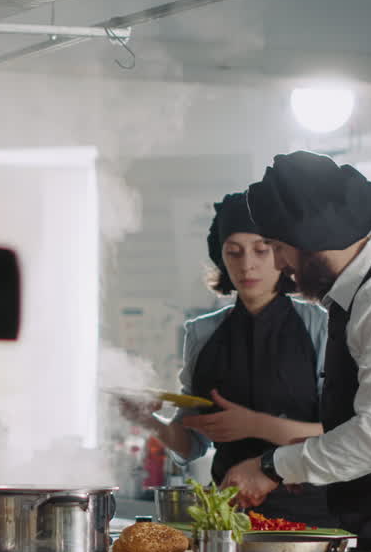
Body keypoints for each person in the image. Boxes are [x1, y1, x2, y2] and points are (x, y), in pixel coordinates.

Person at [223, 151, 371, 537]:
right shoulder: (361, 296)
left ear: (310, 241)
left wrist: (273, 466)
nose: (279, 263)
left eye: (278, 247)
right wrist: (311, 458)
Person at [120, 192, 334, 525]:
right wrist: (147, 420)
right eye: (233, 252)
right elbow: (190, 445)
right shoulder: (202, 333)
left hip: (310, 520)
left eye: (261, 250)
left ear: (282, 253)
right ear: (221, 258)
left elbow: (339, 436)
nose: (246, 264)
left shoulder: (320, 326)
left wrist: (253, 424)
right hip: (227, 519)